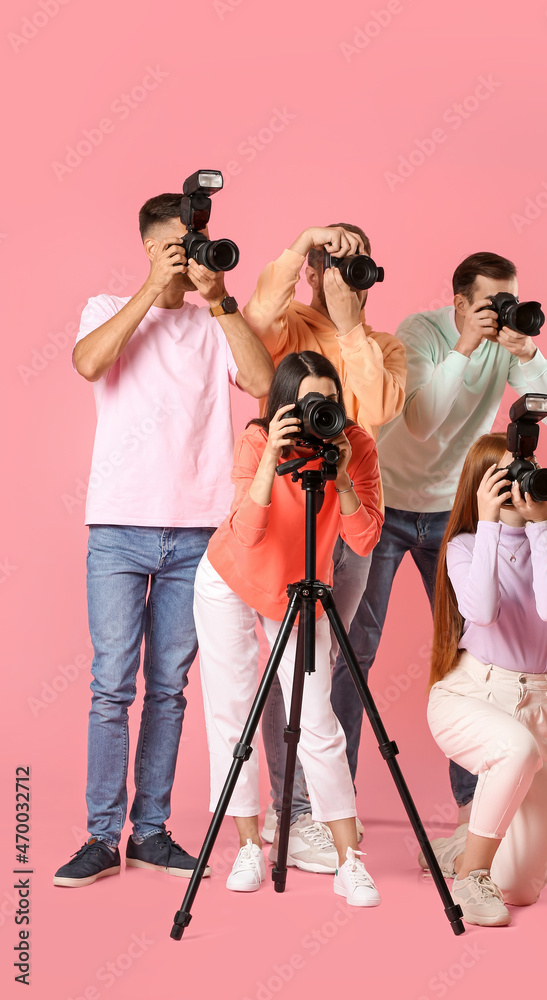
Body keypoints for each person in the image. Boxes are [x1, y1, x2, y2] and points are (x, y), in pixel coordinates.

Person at [53, 192, 274, 888]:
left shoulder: (216, 321)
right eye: (178, 243)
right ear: (150, 245)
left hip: (199, 532)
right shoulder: (105, 306)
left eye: (199, 238)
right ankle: (99, 837)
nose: (191, 252)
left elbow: (264, 382)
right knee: (111, 684)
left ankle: (151, 832)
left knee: (170, 689)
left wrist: (222, 301)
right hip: (119, 525)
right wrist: (151, 288)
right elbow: (89, 363)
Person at [333, 251, 547, 826]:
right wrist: (466, 345)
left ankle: (474, 807)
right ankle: (332, 802)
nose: (501, 312)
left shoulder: (506, 342)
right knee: (355, 649)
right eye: (490, 304)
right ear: (461, 303)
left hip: (451, 512)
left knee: (472, 652)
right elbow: (421, 421)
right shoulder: (425, 333)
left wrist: (531, 355)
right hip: (388, 504)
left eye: (508, 299)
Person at [243, 225, 406, 871]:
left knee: (341, 662)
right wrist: (302, 242)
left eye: (355, 261)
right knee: (291, 660)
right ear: (311, 270)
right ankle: (290, 807)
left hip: (351, 512)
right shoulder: (291, 326)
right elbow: (254, 319)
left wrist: (350, 325)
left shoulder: (384, 345)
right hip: (289, 516)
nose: (344, 272)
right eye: (330, 263)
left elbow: (374, 408)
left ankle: (327, 801)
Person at [194, 351, 383, 906]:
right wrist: (270, 460)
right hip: (231, 577)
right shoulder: (258, 439)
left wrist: (342, 474)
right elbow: (246, 535)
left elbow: (365, 540)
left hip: (299, 589)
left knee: (318, 718)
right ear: (282, 406)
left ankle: (350, 861)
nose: (317, 414)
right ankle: (252, 843)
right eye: (304, 406)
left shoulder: (356, 446)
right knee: (232, 712)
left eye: (326, 402)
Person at [418, 432, 547, 926]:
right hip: (473, 692)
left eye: (526, 469)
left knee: (522, 890)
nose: (522, 483)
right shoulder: (464, 546)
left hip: (544, 704)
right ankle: (471, 875)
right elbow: (484, 612)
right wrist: (489, 522)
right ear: (483, 484)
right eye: (509, 474)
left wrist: (537, 525)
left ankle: (456, 850)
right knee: (515, 749)